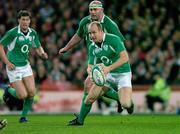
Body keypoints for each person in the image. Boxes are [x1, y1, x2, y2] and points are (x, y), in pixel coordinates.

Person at [59, 0, 125, 124]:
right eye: (91, 9)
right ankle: (119, 98)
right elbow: (78, 36)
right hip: (94, 59)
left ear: (102, 10)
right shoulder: (85, 22)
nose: (93, 12)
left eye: (95, 9)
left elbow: (120, 44)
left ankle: (80, 119)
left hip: (107, 61)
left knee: (90, 86)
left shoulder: (110, 24)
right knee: (89, 87)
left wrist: (113, 63)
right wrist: (66, 48)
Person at [68, 21, 134, 125]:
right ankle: (79, 121)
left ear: (101, 31)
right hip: (107, 74)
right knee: (89, 98)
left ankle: (128, 103)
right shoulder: (92, 47)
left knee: (125, 103)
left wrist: (109, 68)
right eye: (90, 33)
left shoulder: (113, 39)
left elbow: (125, 58)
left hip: (123, 74)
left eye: (94, 32)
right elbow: (90, 66)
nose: (91, 35)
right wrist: (91, 73)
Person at [0, 10, 48, 123]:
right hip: (14, 67)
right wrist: (7, 62)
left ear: (30, 21)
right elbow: (1, 46)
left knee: (32, 93)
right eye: (23, 20)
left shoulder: (33, 33)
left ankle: (23, 117)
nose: (25, 22)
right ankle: (8, 90)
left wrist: (42, 53)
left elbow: (38, 46)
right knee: (22, 95)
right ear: (19, 21)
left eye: (27, 20)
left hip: (26, 66)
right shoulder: (12, 33)